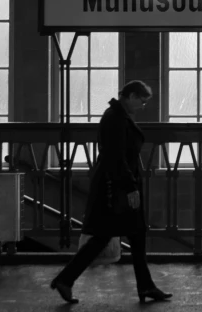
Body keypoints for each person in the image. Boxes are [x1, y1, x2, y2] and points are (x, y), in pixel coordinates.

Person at [50, 80, 172, 304]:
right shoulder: (115, 119)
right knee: (113, 236)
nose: (142, 106)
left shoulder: (116, 116)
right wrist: (129, 187)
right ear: (132, 96)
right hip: (116, 188)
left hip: (114, 185)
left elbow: (116, 155)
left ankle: (144, 285)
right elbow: (116, 156)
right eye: (142, 101)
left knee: (125, 235)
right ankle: (66, 279)